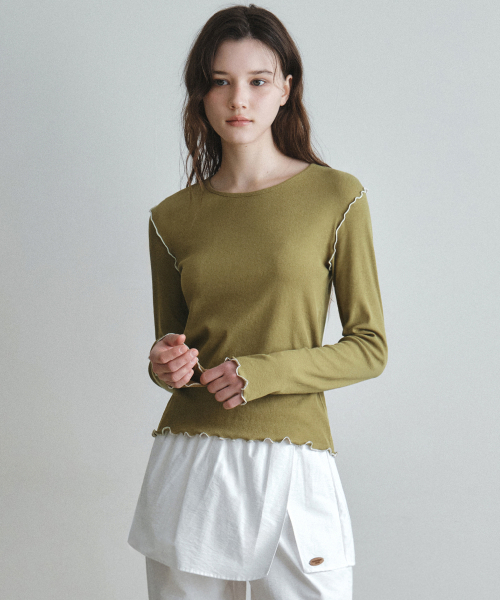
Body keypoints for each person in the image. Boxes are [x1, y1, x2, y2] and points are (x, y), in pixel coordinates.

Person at [127, 4, 388, 599]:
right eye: (220, 81)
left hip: (292, 457)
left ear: (286, 89)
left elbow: (370, 348)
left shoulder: (336, 197)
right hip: (190, 459)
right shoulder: (171, 218)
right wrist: (164, 364)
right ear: (201, 93)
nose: (238, 99)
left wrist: (262, 373)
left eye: (257, 81)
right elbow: (174, 350)